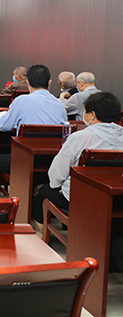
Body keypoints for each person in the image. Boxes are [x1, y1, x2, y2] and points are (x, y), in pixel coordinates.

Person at [32, 92, 123, 228]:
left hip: (79, 197)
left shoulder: (79, 137)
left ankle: (41, 234)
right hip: (115, 198)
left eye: (85, 111)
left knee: (39, 191)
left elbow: (56, 175)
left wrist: (57, 185)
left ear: (92, 115)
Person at [0, 64, 68, 197]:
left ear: (28, 82)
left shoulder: (21, 101)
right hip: (52, 160)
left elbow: (4, 125)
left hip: (25, 160)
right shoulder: (59, 104)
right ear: (49, 83)